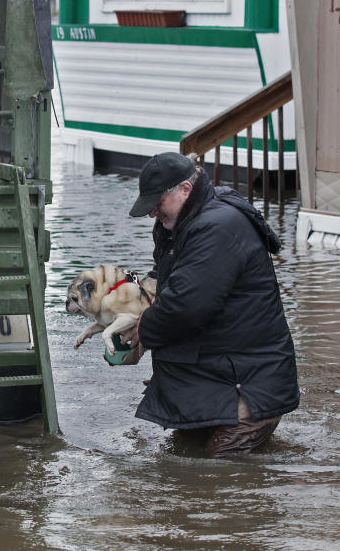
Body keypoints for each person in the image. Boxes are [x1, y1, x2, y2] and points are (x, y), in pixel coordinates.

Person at [121, 152, 300, 457]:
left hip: (248, 390)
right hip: (220, 380)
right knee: (182, 465)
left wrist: (145, 329)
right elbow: (167, 282)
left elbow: (185, 306)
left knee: (216, 474)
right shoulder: (183, 221)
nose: (152, 213)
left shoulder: (217, 227)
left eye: (157, 203)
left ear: (185, 190)